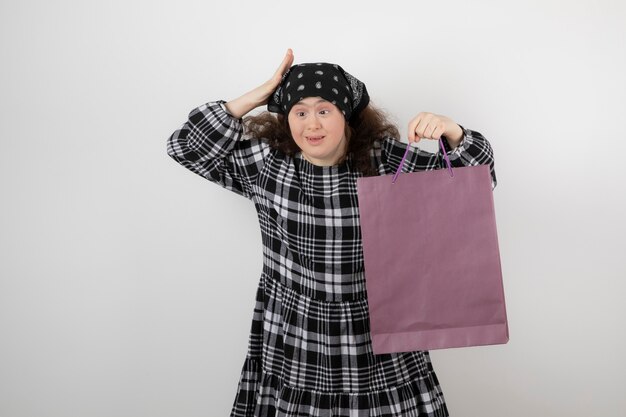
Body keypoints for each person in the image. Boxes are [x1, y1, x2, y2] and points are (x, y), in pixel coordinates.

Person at [166, 48, 497, 417]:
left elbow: (478, 183)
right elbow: (185, 146)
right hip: (293, 330)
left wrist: (453, 131)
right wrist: (261, 94)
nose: (312, 125)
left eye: (324, 110)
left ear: (346, 115)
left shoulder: (384, 161)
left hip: (377, 328)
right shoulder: (267, 163)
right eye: (300, 111)